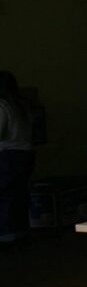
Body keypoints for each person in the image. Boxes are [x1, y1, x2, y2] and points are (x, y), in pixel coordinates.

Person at [0, 71, 35, 244]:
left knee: (5, 195)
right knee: (19, 194)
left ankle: (6, 234)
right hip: (25, 155)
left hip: (8, 156)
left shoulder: (2, 106)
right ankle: (20, 231)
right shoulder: (21, 106)